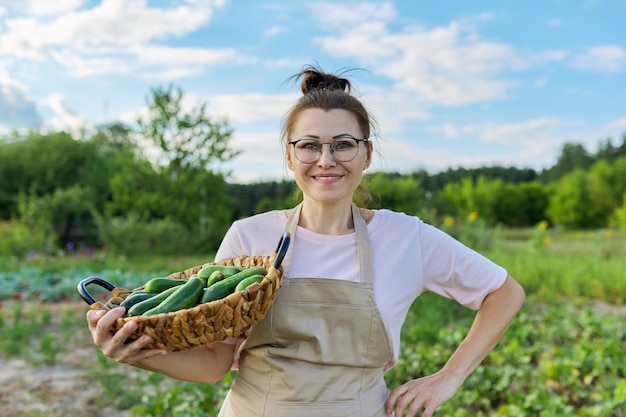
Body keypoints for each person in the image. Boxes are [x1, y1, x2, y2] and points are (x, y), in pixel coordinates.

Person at [87, 65, 526, 417]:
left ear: (367, 154)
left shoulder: (405, 237)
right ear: (289, 156)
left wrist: (448, 378)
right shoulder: (249, 237)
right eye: (310, 145)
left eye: (343, 144)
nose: (326, 160)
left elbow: (504, 292)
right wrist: (133, 352)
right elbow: (214, 364)